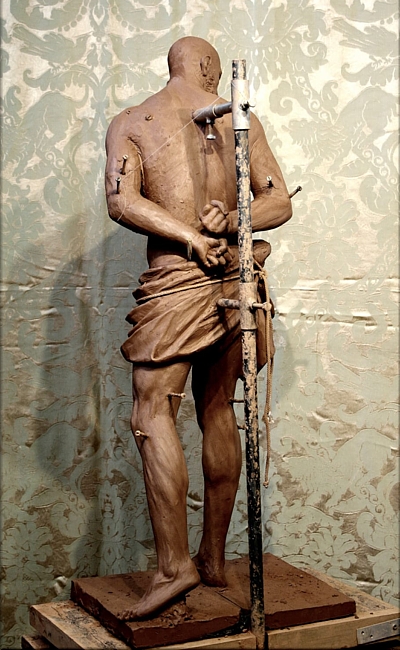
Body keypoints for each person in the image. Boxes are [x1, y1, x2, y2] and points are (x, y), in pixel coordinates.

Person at [105, 36, 292, 619]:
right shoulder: (239, 118)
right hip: (235, 280)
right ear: (210, 68)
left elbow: (121, 201)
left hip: (187, 279)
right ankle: (209, 556)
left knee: (151, 411)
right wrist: (227, 221)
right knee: (217, 409)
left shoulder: (134, 120)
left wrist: (197, 232)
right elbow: (277, 202)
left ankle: (178, 566)